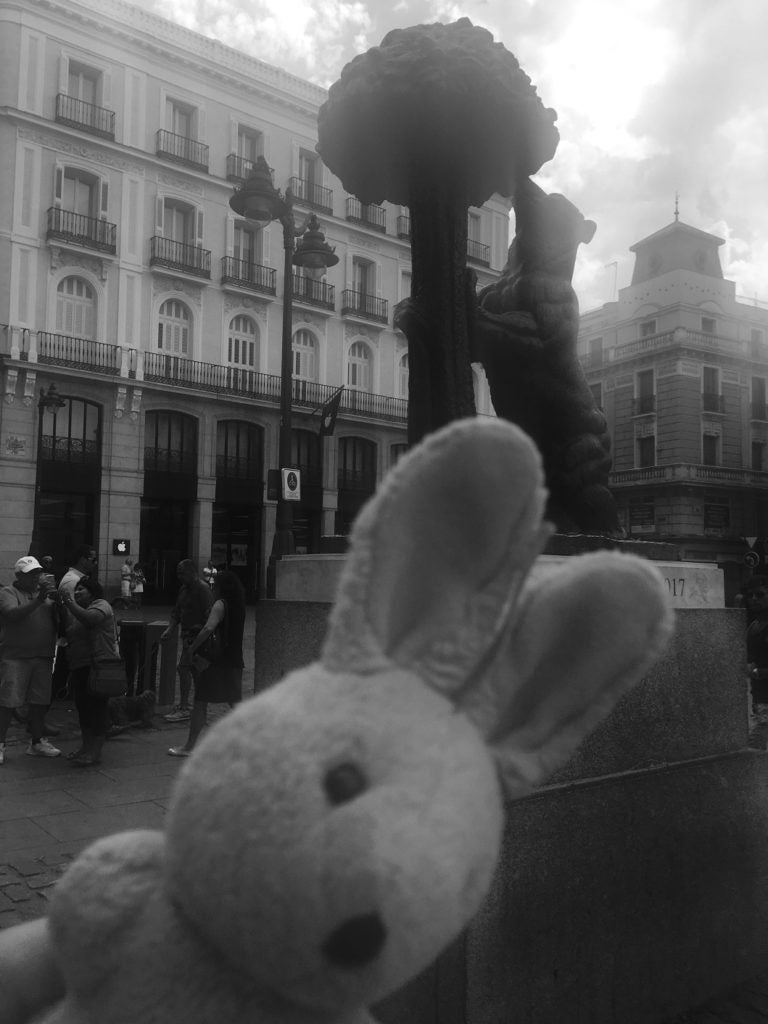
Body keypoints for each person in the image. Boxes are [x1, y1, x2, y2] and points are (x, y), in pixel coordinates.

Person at [168, 570, 245, 757]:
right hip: (234, 658)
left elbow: (208, 628)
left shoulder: (220, 604)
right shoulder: (239, 606)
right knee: (234, 701)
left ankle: (189, 746)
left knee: (201, 702)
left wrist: (192, 648)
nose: (213, 587)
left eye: (215, 584)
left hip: (216, 661)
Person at [0, 556, 60, 764]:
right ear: (19, 576)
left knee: (39, 701)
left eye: (38, 573)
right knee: (8, 701)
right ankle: (0, 744)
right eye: (31, 574)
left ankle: (36, 742)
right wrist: (39, 599)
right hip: (15, 656)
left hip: (43, 655)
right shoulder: (8, 592)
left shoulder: (47, 594)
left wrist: (60, 601)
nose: (36, 577)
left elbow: (58, 619)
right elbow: (11, 614)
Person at [60, 576, 120, 766]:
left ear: (92, 592)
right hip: (80, 666)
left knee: (97, 709)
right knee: (83, 709)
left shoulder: (101, 605)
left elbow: (90, 620)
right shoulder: (79, 610)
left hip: (97, 666)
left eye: (81, 590)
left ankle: (95, 751)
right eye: (76, 589)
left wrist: (67, 600)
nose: (77, 592)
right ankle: (85, 747)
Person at [160, 559, 213, 723]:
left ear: (191, 572)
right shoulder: (184, 589)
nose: (179, 577)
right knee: (194, 671)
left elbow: (209, 616)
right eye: (178, 573)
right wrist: (170, 629)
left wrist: (201, 637)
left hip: (198, 638)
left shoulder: (203, 589)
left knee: (185, 668)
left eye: (182, 573)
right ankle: (197, 707)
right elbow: (177, 612)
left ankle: (186, 707)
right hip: (187, 636)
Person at [745, 576, 768, 749]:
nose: (754, 599)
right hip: (760, 696)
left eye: (760, 595)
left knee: (756, 742)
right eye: (751, 595)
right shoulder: (754, 625)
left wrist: (757, 672)